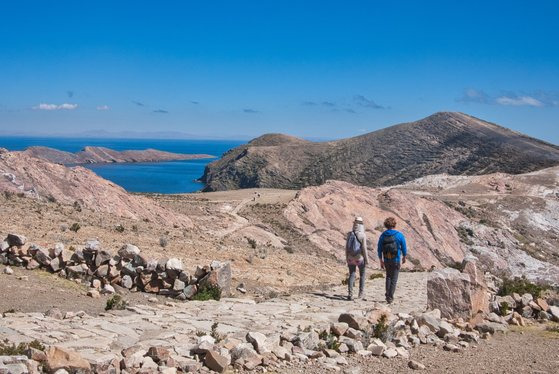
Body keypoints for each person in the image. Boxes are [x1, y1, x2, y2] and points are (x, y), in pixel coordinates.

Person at [377, 217, 407, 304]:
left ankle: (387, 295)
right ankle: (390, 297)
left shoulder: (383, 235)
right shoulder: (399, 235)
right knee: (394, 278)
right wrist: (404, 257)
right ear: (394, 224)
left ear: (386, 225)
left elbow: (379, 249)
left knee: (388, 277)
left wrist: (380, 260)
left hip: (386, 259)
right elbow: (404, 247)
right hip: (396, 259)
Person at [345, 217, 368, 301]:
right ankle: (360, 294)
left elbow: (346, 248)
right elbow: (364, 249)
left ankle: (350, 294)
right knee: (362, 275)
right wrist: (367, 259)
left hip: (350, 258)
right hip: (359, 258)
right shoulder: (362, 235)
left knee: (351, 275)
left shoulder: (349, 234)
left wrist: (347, 257)